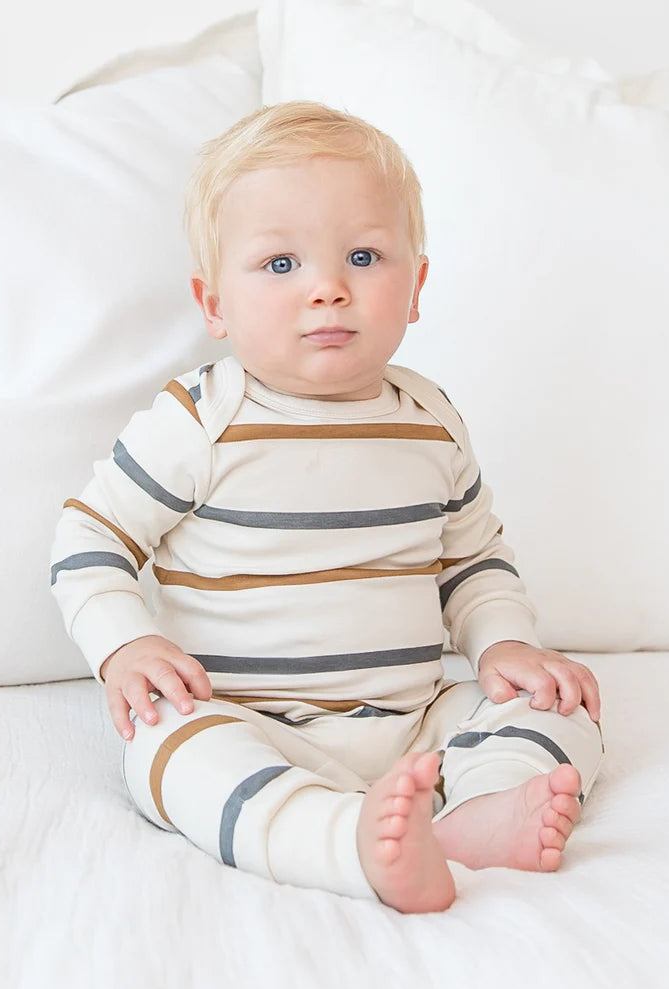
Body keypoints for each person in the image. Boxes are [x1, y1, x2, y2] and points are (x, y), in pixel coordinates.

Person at [50, 100, 604, 914]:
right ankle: (347, 845)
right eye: (280, 265)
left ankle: (481, 812)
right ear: (213, 305)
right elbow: (89, 537)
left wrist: (504, 643)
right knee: (171, 752)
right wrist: (123, 645)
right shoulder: (201, 420)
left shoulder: (430, 419)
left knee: (563, 708)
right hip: (252, 718)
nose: (328, 290)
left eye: (364, 256)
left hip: (414, 719)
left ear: (415, 286)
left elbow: (474, 558)